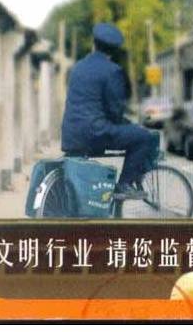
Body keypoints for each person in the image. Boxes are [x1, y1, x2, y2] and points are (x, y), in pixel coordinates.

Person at [61, 23, 159, 200]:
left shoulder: (78, 67)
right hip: (95, 134)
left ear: (94, 43)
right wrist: (130, 124)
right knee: (143, 137)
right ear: (114, 50)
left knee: (132, 132)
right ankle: (124, 185)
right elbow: (114, 111)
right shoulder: (112, 71)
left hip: (71, 134)